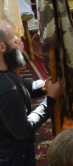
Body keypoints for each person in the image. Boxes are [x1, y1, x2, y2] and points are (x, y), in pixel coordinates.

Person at [0, 19, 62, 166]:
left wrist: (43, 86)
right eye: (13, 37)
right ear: (2, 47)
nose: (19, 40)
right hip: (14, 158)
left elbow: (20, 84)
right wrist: (50, 99)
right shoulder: (8, 91)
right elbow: (24, 130)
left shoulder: (5, 70)